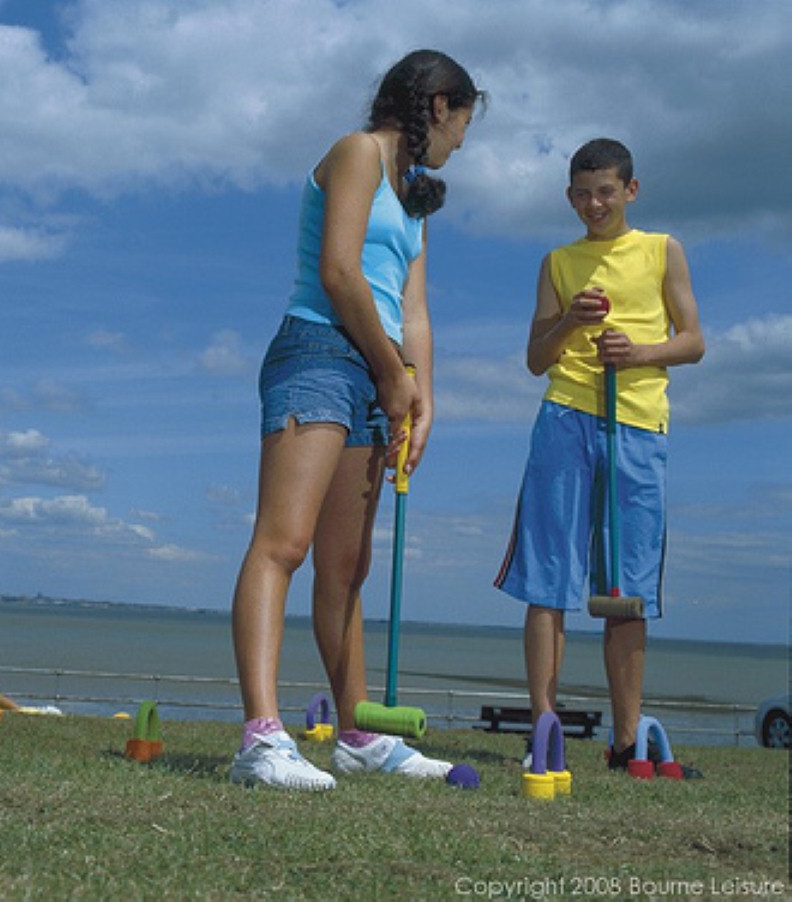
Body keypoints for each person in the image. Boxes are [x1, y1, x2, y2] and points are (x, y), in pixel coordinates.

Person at [229, 50, 484, 790]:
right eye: (461, 125)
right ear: (438, 106)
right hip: (317, 351)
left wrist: (421, 392)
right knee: (284, 542)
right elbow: (340, 271)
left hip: (382, 374)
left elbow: (415, 312)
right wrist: (387, 370)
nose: (460, 145)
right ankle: (261, 738)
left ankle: (360, 737)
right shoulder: (356, 154)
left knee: (348, 568)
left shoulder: (414, 203)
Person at [494, 138, 705, 773]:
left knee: (628, 589)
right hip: (564, 419)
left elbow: (693, 342)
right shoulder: (557, 262)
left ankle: (625, 742)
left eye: (605, 192)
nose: (593, 203)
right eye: (582, 193)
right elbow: (536, 359)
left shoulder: (663, 249)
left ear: (630, 191)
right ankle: (544, 730)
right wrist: (570, 326)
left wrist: (637, 352)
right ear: (569, 195)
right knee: (547, 578)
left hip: (639, 425)